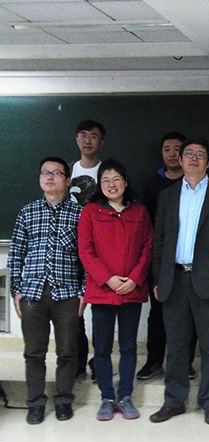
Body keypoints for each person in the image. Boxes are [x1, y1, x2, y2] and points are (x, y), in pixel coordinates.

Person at [149, 137, 209, 425]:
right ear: (180, 159)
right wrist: (158, 278)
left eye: (199, 155)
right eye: (188, 153)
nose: (192, 158)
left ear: (208, 162)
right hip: (173, 280)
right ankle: (174, 401)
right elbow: (159, 240)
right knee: (176, 346)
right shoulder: (167, 196)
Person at [8, 157, 83, 424]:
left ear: (68, 180)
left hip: (67, 293)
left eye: (56, 173)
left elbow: (87, 255)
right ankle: (36, 403)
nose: (50, 177)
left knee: (67, 351)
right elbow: (16, 254)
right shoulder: (27, 212)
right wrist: (16, 291)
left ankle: (63, 400)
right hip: (32, 294)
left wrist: (83, 291)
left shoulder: (80, 213)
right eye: (45, 172)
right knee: (34, 352)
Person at [78, 159, 153, 421]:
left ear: (126, 182)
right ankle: (107, 398)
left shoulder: (139, 212)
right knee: (101, 348)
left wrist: (134, 279)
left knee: (129, 346)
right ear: (100, 185)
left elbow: (148, 248)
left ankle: (125, 396)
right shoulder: (90, 211)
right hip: (102, 291)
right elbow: (85, 251)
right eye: (106, 180)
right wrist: (108, 279)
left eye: (116, 179)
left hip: (131, 290)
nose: (111, 185)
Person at [137, 131, 198, 382]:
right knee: (158, 313)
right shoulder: (153, 185)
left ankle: (185, 362)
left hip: (191, 261)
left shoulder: (196, 184)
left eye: (177, 149)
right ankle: (154, 361)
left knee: (190, 314)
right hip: (161, 260)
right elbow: (147, 225)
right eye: (167, 149)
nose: (172, 154)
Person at [71, 119, 106, 381]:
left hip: (101, 250)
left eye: (93, 136)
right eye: (83, 135)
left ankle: (99, 360)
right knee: (74, 309)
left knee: (100, 309)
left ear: (101, 142)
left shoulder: (107, 171)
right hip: (71, 250)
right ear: (77, 139)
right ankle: (77, 360)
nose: (87, 140)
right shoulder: (66, 171)